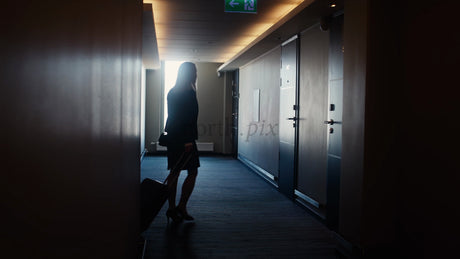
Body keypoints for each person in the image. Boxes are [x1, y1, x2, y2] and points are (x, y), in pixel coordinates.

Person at [164, 62, 200, 223]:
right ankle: (182, 206)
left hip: (173, 137)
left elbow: (172, 116)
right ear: (191, 74)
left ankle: (172, 208)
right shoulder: (189, 92)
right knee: (192, 171)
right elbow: (188, 118)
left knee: (174, 172)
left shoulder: (172, 92)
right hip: (185, 139)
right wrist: (187, 140)